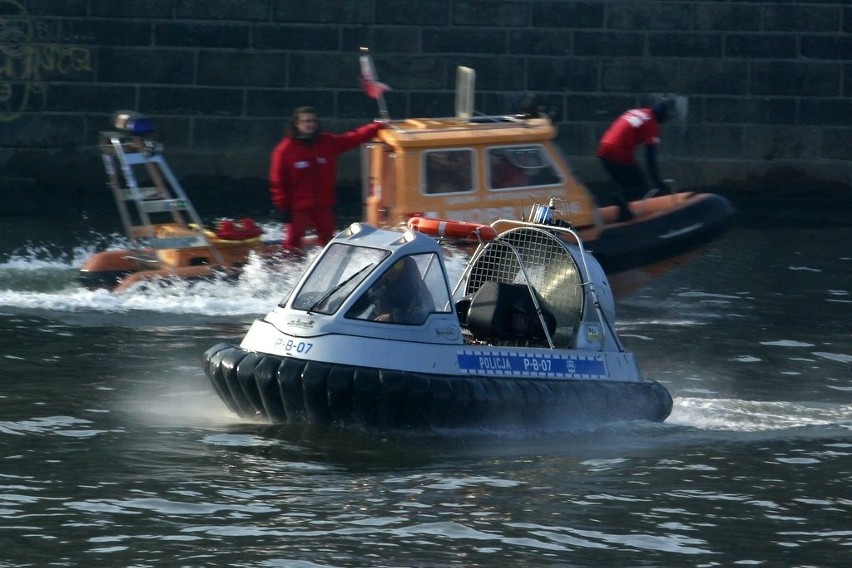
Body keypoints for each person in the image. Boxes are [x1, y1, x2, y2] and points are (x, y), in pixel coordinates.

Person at [269, 106, 386, 250]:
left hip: (323, 205)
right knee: (292, 242)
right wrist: (283, 207)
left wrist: (376, 126)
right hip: (297, 207)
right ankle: (290, 265)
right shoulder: (284, 150)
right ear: (297, 124)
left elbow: (353, 138)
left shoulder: (327, 142)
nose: (309, 124)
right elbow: (278, 181)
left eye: (312, 121)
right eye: (305, 121)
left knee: (328, 239)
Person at [596, 99, 670, 221]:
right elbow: (650, 157)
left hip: (603, 149)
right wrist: (657, 180)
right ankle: (627, 215)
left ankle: (620, 207)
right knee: (639, 185)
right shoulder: (651, 124)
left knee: (627, 183)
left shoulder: (637, 111)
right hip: (619, 152)